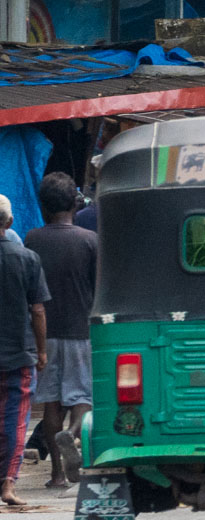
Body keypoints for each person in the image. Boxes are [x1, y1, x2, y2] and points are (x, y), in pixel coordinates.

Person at [23, 174, 93, 491]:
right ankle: (74, 433)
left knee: (51, 403)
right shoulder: (90, 240)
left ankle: (57, 475)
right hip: (81, 331)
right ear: (75, 204)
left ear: (43, 206)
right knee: (82, 397)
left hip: (45, 333)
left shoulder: (33, 239)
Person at [0, 196, 48, 507]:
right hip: (19, 352)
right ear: (10, 222)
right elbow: (38, 310)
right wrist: (42, 351)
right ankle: (7, 483)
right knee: (16, 419)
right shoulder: (27, 258)